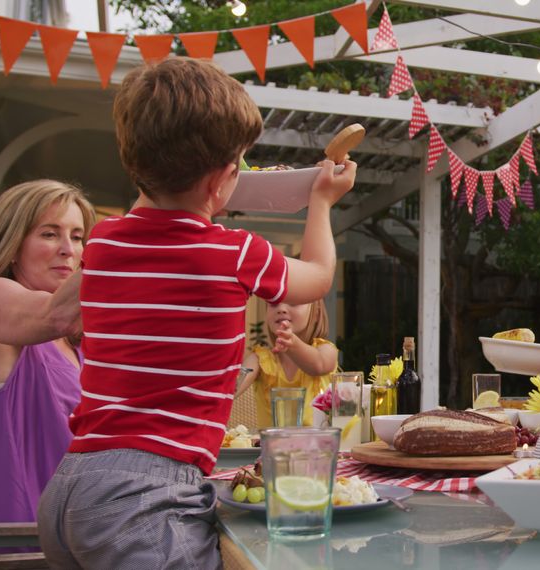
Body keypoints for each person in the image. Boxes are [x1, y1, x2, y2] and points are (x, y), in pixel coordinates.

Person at [36, 57, 356, 568]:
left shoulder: (104, 242)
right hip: (148, 500)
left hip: (72, 487)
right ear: (225, 179)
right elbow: (317, 274)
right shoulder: (235, 252)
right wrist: (321, 201)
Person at [0, 180, 95, 524]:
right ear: (11, 243)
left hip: (76, 535)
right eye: (50, 234)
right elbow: (55, 313)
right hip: (12, 545)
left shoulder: (74, 339)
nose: (69, 249)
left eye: (78, 237)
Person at [238, 300, 339, 427]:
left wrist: (293, 344)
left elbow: (319, 365)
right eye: (273, 303)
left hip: (319, 445)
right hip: (271, 446)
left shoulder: (326, 350)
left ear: (316, 310)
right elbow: (233, 388)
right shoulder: (259, 358)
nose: (281, 309)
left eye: (293, 302)